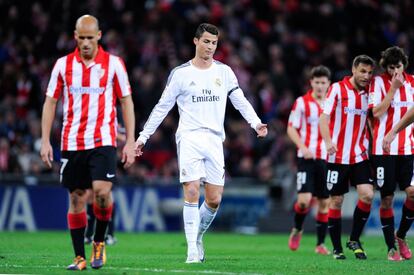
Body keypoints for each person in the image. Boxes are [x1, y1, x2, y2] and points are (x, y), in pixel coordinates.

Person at [135, 23, 268, 263]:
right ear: (196, 41)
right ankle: (191, 252)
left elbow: (239, 99)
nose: (210, 47)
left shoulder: (224, 72)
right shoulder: (181, 73)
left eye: (214, 43)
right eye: (206, 41)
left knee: (214, 199)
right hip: (189, 136)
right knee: (192, 190)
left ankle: (197, 237)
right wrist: (143, 136)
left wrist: (255, 123)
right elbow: (162, 107)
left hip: (215, 139)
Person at [40, 15, 136, 270]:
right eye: (81, 38)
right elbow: (50, 102)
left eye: (89, 38)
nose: (85, 43)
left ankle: (99, 242)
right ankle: (79, 257)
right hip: (72, 141)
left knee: (102, 193)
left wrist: (129, 142)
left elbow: (126, 101)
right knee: (77, 198)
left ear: (99, 36)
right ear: (75, 36)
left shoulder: (114, 64)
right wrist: (45, 141)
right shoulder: (63, 65)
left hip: (103, 140)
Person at [319, 55, 375, 260]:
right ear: (353, 69)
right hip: (337, 156)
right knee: (336, 200)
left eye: (370, 73)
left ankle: (354, 239)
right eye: (362, 71)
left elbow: (372, 120)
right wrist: (327, 141)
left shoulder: (371, 93)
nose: (366, 76)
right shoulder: (337, 89)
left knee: (367, 195)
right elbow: (323, 118)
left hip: (359, 154)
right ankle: (336, 248)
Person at [370, 46, 414, 261]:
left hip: (408, 149)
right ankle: (391, 248)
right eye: (391, 67)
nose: (395, 71)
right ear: (385, 68)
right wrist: (393, 90)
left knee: (413, 194)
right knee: (386, 199)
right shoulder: (378, 83)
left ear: (404, 64)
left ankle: (402, 236)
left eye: (398, 66)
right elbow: (376, 113)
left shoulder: (413, 83)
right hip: (383, 150)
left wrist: (395, 132)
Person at [287, 65, 331, 255]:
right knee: (304, 201)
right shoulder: (301, 102)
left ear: (328, 84)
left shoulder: (332, 103)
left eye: (323, 82)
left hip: (327, 158)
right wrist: (303, 147)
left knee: (324, 202)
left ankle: (320, 244)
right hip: (306, 158)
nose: (320, 86)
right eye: (317, 82)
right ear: (311, 82)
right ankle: (297, 229)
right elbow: (290, 128)